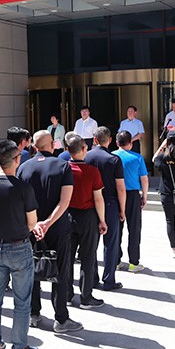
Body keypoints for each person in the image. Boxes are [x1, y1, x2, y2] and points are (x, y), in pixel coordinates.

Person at [18, 130, 82, 333]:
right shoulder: (62, 166)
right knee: (61, 272)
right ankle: (61, 319)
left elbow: (20, 202)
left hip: (30, 228)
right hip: (58, 227)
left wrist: (36, 224)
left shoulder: (23, 167)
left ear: (34, 147)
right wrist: (47, 223)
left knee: (31, 270)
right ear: (52, 145)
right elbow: (65, 201)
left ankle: (33, 313)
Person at [0, 140, 40, 349]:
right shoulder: (23, 187)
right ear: (17, 160)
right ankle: (19, 347)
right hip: (19, 246)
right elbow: (32, 222)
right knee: (21, 300)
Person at [65, 132, 107, 308]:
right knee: (88, 257)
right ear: (84, 149)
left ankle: (67, 295)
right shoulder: (92, 171)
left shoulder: (63, 169)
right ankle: (86, 296)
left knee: (67, 258)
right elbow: (98, 198)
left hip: (67, 215)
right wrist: (102, 220)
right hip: (88, 216)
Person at [85, 127, 126, 291]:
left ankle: (92, 278)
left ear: (94, 139)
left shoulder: (86, 157)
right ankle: (109, 279)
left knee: (91, 244)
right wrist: (122, 209)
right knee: (111, 243)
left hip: (90, 202)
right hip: (110, 202)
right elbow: (121, 188)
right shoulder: (114, 159)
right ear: (109, 140)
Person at [114, 130, 148, 272]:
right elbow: (144, 179)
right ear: (131, 143)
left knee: (117, 229)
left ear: (117, 143)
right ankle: (134, 262)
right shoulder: (137, 158)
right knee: (134, 229)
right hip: (133, 195)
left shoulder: (112, 156)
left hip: (116, 195)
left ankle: (116, 261)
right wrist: (144, 196)